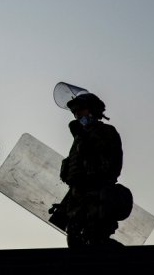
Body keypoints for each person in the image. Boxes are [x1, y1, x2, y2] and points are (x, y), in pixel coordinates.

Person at [51, 89, 130, 247]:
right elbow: (75, 175)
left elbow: (109, 168)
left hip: (98, 201)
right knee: (74, 241)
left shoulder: (106, 132)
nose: (77, 115)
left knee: (96, 241)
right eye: (75, 112)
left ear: (93, 110)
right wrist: (64, 206)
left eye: (81, 110)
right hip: (77, 202)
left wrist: (86, 143)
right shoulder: (79, 138)